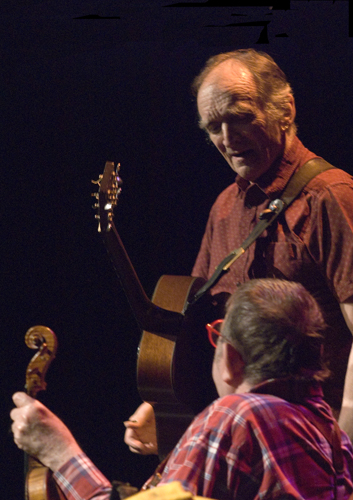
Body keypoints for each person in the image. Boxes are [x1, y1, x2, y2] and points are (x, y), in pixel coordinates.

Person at [124, 48, 353, 455]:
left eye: (240, 117)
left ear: (284, 108)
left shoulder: (330, 197)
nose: (227, 140)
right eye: (214, 127)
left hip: (313, 445)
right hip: (249, 447)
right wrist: (160, 406)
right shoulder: (225, 207)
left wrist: (344, 437)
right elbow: (201, 325)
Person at [11, 279, 353, 499]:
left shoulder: (235, 416)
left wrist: (60, 452)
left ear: (231, 357)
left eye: (217, 336)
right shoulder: (334, 437)